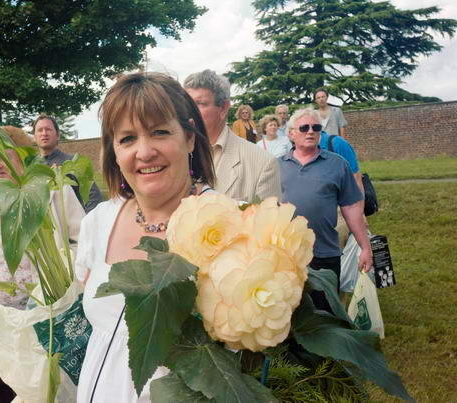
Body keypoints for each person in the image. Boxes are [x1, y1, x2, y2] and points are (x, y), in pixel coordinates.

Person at [75, 72, 215, 403]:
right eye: (127, 139)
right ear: (113, 150)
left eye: (159, 132)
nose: (144, 151)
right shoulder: (98, 222)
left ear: (190, 137)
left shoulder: (232, 223)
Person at [0, 126, 86, 402]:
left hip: (40, 328)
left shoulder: (52, 193)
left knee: (43, 394)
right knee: (1, 392)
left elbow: (83, 243)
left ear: (23, 155)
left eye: (4, 155)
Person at [279, 107, 372, 309]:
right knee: (289, 315)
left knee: (326, 313)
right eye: (304, 127)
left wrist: (365, 247)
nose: (311, 131)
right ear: (291, 134)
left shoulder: (337, 164)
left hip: (325, 254)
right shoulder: (277, 166)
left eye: (316, 127)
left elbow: (351, 208)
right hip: (286, 256)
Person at [183, 69, 281, 203]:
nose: (189, 111)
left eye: (199, 104)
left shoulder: (263, 164)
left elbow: (270, 221)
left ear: (223, 108)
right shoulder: (172, 154)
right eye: (187, 104)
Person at [32, 114, 103, 213]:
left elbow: (93, 197)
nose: (44, 133)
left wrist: (85, 223)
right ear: (34, 137)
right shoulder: (30, 168)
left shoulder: (73, 162)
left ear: (58, 135)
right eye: (40, 130)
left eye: (48, 129)